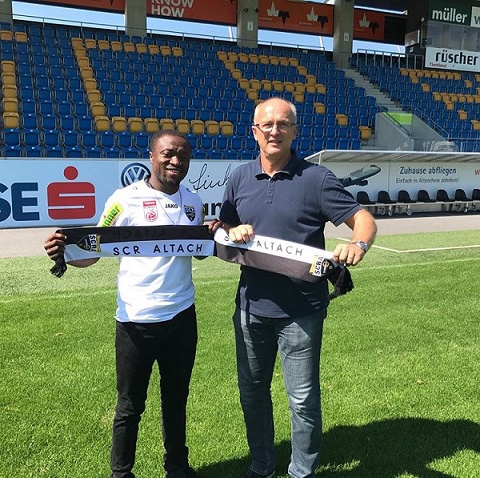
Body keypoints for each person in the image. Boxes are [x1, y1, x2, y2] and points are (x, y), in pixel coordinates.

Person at [219, 97, 377, 478]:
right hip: (250, 308)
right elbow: (220, 230)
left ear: (294, 130)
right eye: (267, 125)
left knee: (302, 400)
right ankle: (261, 466)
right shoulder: (239, 177)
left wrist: (357, 244)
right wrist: (230, 230)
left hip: (302, 310)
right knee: (252, 395)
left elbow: (364, 219)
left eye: (283, 124)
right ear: (254, 132)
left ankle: (301, 472)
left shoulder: (316, 179)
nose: (275, 130)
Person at [44, 130, 215, 478]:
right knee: (130, 406)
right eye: (168, 153)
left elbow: (194, 252)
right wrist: (65, 251)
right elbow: (94, 248)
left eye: (182, 155)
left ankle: (178, 467)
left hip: (183, 316)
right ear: (151, 156)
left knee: (176, 398)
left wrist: (208, 237)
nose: (175, 161)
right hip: (136, 320)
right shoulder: (124, 200)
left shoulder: (194, 201)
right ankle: (121, 473)